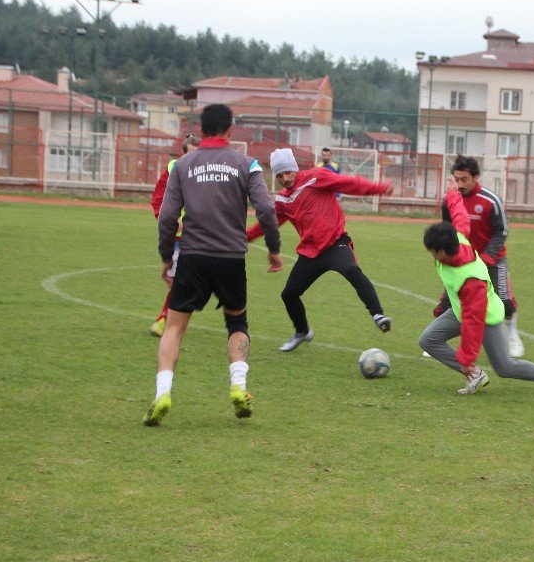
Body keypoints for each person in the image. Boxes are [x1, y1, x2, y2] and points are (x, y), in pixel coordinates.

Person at [144, 104, 282, 427]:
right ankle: (239, 389)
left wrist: (167, 256)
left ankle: (163, 392)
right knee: (237, 323)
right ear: (230, 131)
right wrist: (274, 249)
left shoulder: (182, 165)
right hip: (231, 257)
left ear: (201, 131)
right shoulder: (247, 164)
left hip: (192, 256)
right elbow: (266, 209)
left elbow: (166, 216)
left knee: (175, 327)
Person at [419, 175, 534, 396]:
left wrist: (466, 359)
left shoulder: (471, 281)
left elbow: (474, 320)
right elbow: (460, 215)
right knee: (428, 340)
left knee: (505, 367)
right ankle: (476, 375)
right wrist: (452, 194)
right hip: (460, 311)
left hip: (485, 316)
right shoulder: (458, 238)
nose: (431, 255)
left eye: (432, 251)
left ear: (443, 251)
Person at [246, 148, 392, 352]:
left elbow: (350, 184)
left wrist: (379, 188)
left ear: (294, 168)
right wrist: (244, 237)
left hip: (335, 243)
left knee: (350, 269)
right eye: (279, 175)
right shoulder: (282, 200)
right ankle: (302, 332)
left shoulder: (316, 177)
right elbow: (267, 224)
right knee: (289, 294)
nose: (285, 178)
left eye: (288, 172)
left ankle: (378, 315)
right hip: (311, 253)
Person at [434, 155, 525, 358]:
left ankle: (512, 333)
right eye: (456, 179)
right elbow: (449, 231)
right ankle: (438, 340)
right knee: (449, 301)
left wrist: (487, 256)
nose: (459, 184)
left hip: (493, 260)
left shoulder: (491, 200)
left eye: (464, 179)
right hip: (464, 261)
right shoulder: (449, 200)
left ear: (476, 177)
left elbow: (500, 232)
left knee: (504, 302)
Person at [148, 133, 200, 337]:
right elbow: (158, 201)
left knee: (189, 280)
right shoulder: (172, 170)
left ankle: (166, 319)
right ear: (183, 154)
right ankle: (165, 318)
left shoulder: (208, 172)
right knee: (180, 280)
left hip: (202, 236)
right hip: (179, 236)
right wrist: (171, 220)